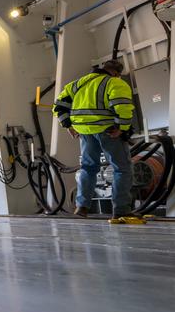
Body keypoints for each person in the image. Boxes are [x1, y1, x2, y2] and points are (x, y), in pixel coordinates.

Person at [53, 57, 134, 218]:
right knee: (122, 169)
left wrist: (68, 125)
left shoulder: (77, 84)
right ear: (116, 73)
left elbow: (59, 106)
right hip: (108, 131)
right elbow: (123, 107)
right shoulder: (114, 83)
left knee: (88, 168)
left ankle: (82, 207)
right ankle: (121, 210)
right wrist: (122, 128)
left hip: (85, 133)